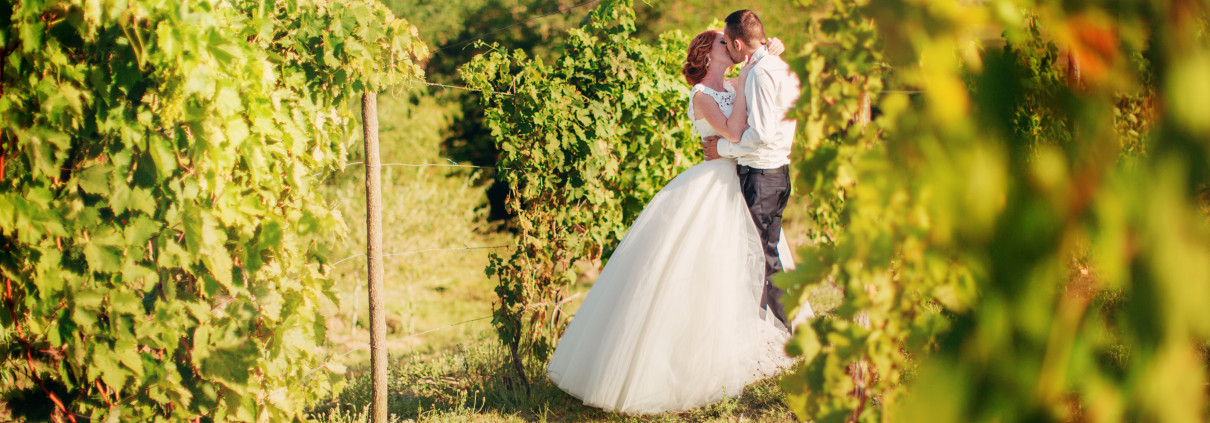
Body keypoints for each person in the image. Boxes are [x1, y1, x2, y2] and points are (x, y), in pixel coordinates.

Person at [545, 24, 808, 415]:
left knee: (752, 258)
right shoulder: (702, 95)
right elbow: (736, 129)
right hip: (715, 183)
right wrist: (725, 136)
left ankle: (764, 337)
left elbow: (758, 81)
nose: (729, 45)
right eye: (722, 42)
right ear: (707, 53)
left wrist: (770, 53)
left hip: (741, 179)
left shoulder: (740, 79)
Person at [702, 9, 801, 329]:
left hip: (761, 177)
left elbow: (759, 135)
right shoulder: (781, 68)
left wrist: (721, 149)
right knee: (765, 256)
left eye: (728, 43)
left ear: (738, 43)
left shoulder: (759, 74)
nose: (728, 48)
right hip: (780, 174)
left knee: (761, 261)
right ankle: (764, 328)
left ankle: (790, 331)